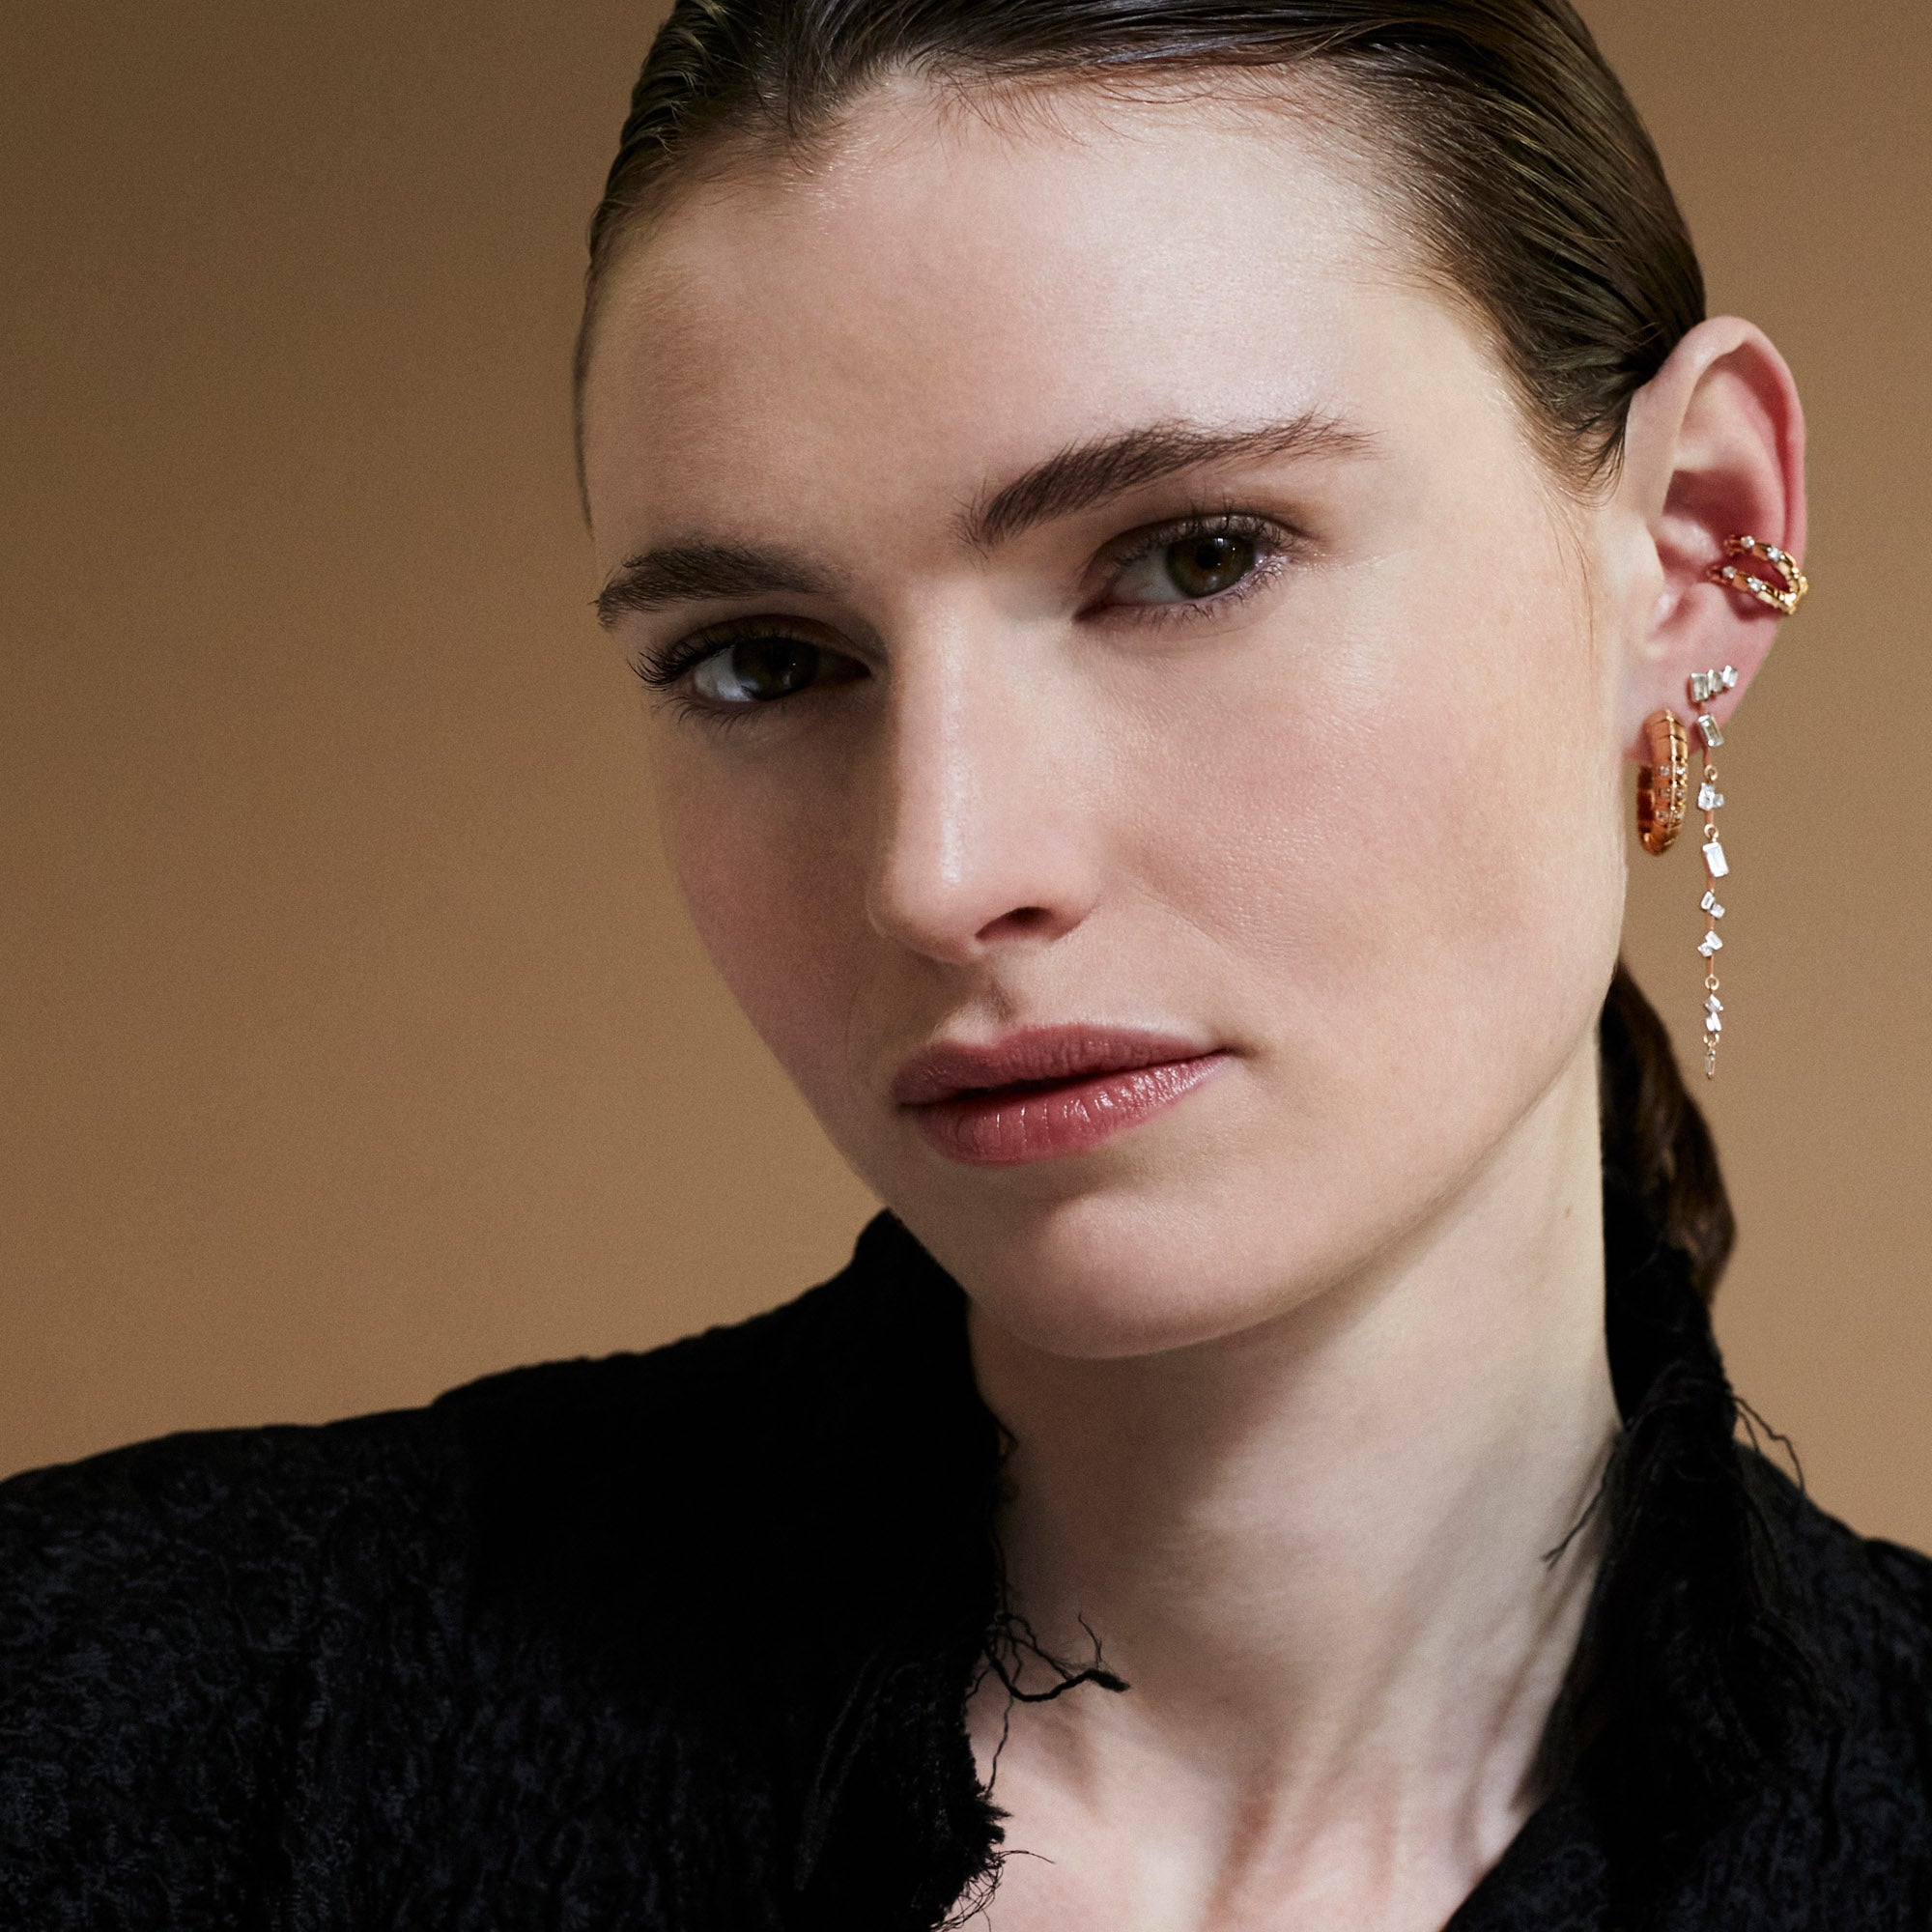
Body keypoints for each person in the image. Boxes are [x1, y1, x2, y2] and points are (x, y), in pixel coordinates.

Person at [3, 1, 1927, 1926]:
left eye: (1192, 557)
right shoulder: (126, 1724)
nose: (937, 873)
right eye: (763, 660)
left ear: (1699, 547)